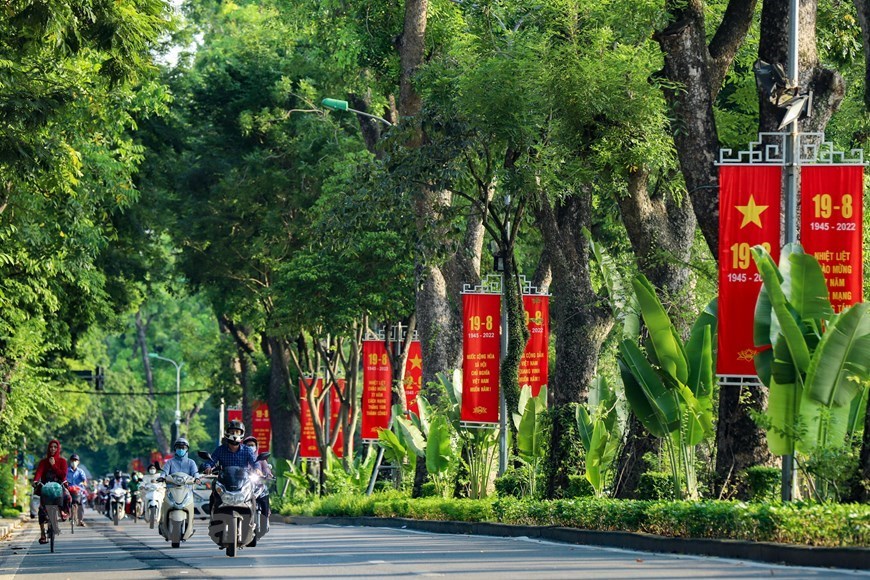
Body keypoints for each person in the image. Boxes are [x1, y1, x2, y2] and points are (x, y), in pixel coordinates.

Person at [201, 420, 258, 513]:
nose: (234, 434)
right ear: (227, 432)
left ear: (242, 433)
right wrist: (207, 467)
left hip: (243, 483)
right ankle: (213, 518)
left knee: (253, 496)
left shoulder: (247, 450)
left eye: (237, 432)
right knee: (213, 495)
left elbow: (255, 462)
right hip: (224, 483)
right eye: (232, 431)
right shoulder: (220, 450)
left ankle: (252, 518)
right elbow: (210, 461)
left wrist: (257, 469)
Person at [32, 439, 70, 544]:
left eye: (55, 447)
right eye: (51, 447)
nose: (53, 449)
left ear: (58, 449)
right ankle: (42, 534)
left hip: (58, 487)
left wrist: (53, 465)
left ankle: (63, 511)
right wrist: (35, 481)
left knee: (68, 496)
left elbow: (63, 475)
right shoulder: (43, 462)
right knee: (41, 510)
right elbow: (38, 473)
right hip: (46, 488)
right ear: (48, 448)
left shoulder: (62, 461)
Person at [159, 437, 200, 535]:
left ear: (187, 449)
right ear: (175, 449)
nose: (181, 449)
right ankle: (162, 522)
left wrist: (197, 478)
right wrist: (162, 477)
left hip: (187, 491)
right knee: (164, 505)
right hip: (171, 490)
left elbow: (195, 473)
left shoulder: (191, 462)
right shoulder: (170, 462)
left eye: (183, 447)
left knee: (191, 506)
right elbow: (164, 472)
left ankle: (190, 526)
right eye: (179, 447)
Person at [243, 436, 271, 517]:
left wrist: (268, 474)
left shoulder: (261, 459)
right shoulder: (241, 459)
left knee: (264, 492)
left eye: (252, 445)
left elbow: (266, 469)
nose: (250, 447)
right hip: (244, 486)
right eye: (248, 445)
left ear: (256, 446)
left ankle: (265, 516)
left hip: (258, 485)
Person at [66, 454, 87, 526]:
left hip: (78, 491)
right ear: (70, 461)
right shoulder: (66, 471)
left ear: (78, 462)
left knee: (81, 504)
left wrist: (83, 483)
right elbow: (63, 479)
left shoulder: (80, 471)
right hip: (68, 490)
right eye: (72, 460)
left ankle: (80, 520)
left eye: (75, 460)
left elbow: (85, 481)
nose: (74, 462)